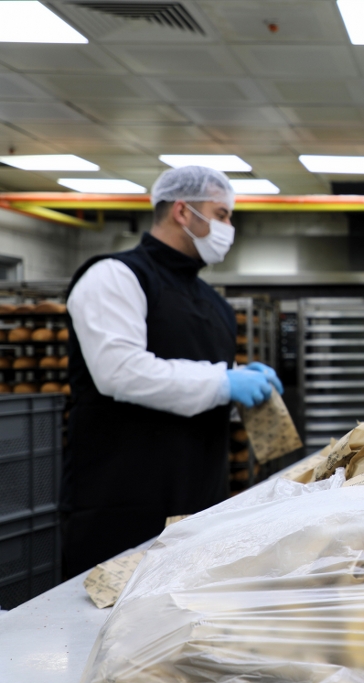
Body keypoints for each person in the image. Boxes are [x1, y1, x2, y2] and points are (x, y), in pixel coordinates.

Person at [62, 166, 283, 577]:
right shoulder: (115, 276)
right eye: (221, 214)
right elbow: (120, 371)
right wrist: (223, 381)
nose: (229, 228)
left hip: (199, 502)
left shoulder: (213, 303)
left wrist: (240, 383)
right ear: (182, 212)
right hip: (124, 502)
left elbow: (190, 369)